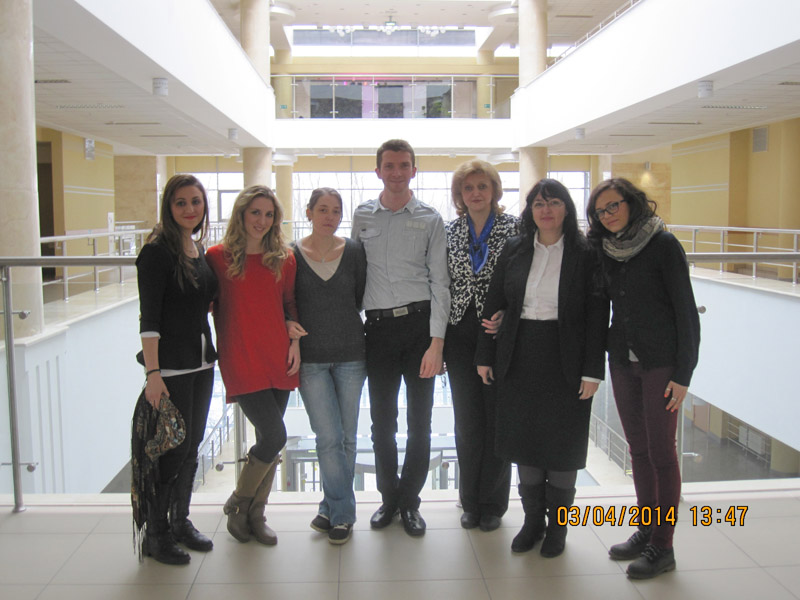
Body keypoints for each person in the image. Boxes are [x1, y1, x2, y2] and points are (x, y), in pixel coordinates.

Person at [476, 178, 608, 557]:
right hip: (519, 354)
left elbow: (598, 315)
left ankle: (558, 529)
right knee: (525, 443)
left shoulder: (586, 253)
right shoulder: (516, 248)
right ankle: (533, 522)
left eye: (553, 203)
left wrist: (593, 371)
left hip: (566, 359)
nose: (545, 210)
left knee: (562, 446)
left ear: (566, 208)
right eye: (538, 204)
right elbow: (495, 300)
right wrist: (485, 355)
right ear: (530, 210)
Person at [586, 178, 700, 579]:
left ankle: (663, 546)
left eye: (613, 206)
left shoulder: (663, 244)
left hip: (661, 362)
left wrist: (684, 373)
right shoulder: (605, 250)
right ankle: (646, 530)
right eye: (600, 211)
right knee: (637, 450)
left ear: (631, 203)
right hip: (622, 360)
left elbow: (686, 312)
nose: (607, 215)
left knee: (661, 453)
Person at [351, 139, 451, 537]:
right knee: (381, 423)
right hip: (377, 331)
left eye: (403, 165)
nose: (396, 172)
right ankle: (388, 498)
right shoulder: (362, 215)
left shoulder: (430, 218)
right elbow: (353, 271)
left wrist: (437, 342)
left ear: (414, 170)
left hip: (419, 329)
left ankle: (410, 502)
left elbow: (440, 283)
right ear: (378, 171)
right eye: (389, 165)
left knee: (420, 422)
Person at [205, 185, 300, 546]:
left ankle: (254, 515)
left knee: (267, 440)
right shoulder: (217, 257)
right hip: (240, 356)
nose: (262, 220)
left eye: (269, 214)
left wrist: (295, 343)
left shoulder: (284, 258)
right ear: (241, 214)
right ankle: (239, 501)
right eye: (255, 212)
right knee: (275, 436)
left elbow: (289, 305)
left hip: (278, 355)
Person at [135, 174, 218, 565]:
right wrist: (153, 374)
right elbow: (149, 319)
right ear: (169, 207)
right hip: (171, 368)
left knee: (192, 444)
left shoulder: (196, 248)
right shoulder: (157, 252)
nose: (189, 209)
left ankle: (180, 521)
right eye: (181, 202)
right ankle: (156, 534)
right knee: (173, 449)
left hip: (201, 362)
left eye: (196, 202)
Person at [444, 160, 519, 532]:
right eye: (468, 188)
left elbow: (525, 281)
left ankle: (493, 504)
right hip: (459, 333)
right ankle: (470, 501)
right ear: (460, 194)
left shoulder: (514, 228)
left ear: (494, 190)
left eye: (482, 186)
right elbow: (442, 283)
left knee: (496, 420)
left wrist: (509, 313)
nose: (475, 193)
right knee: (468, 422)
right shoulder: (450, 232)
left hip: (497, 334)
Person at [291, 187, 367, 545]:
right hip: (311, 359)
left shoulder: (354, 252)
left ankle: (330, 508)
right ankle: (342, 513)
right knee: (328, 437)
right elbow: (287, 302)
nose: (330, 217)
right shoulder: (291, 254)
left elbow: (359, 298)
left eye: (336, 211)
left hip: (352, 354)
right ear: (308, 213)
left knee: (347, 437)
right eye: (322, 209)